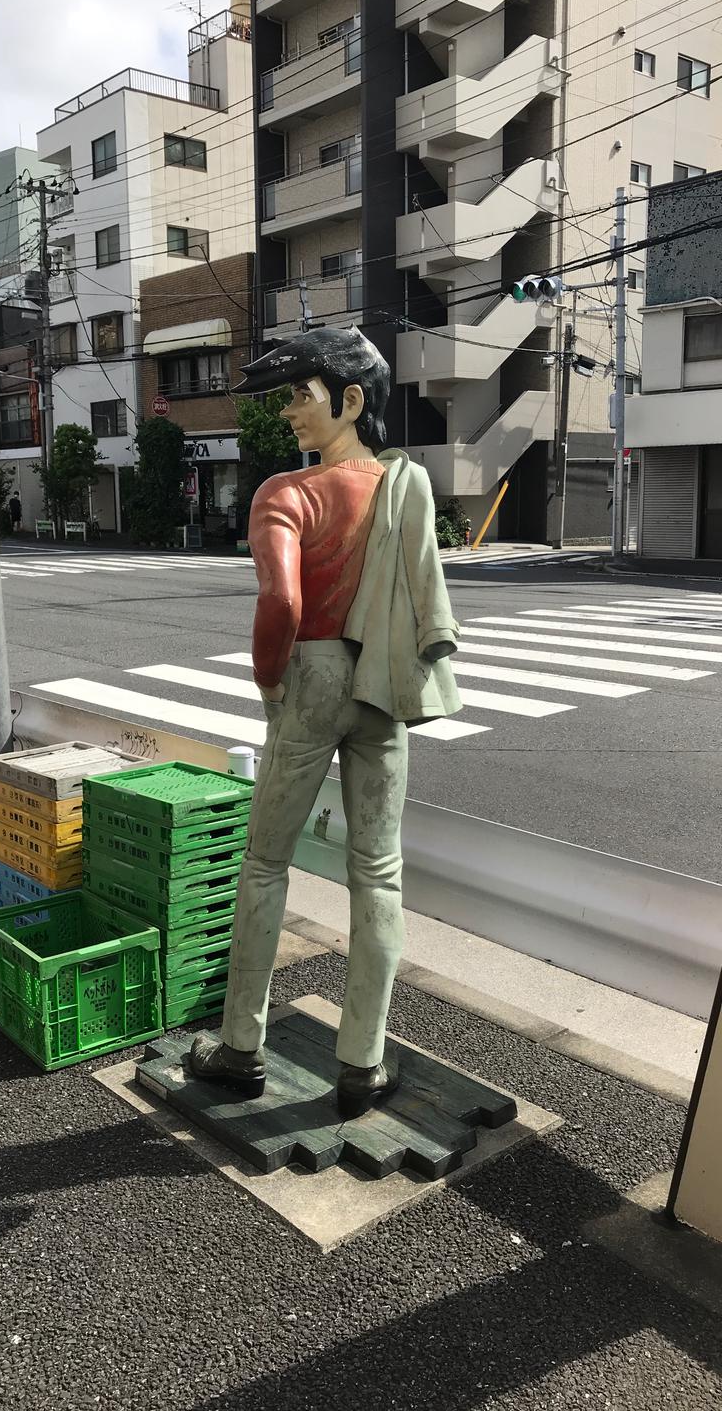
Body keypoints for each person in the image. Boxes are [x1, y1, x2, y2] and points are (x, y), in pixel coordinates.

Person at [190, 326, 461, 1119]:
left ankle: (242, 1048)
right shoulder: (403, 487)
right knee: (378, 871)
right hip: (380, 677)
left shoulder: (288, 493)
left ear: (348, 400)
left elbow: (280, 603)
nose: (289, 414)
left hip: (309, 675)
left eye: (298, 396)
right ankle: (363, 1065)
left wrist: (271, 684)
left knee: (266, 862)